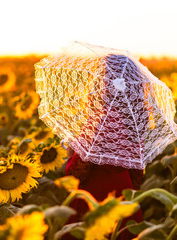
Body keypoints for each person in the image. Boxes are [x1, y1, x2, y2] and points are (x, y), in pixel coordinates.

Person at [62, 54, 148, 240]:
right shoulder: (137, 120)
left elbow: (76, 174)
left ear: (106, 83)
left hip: (95, 205)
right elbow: (137, 179)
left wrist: (71, 153)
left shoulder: (100, 119)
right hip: (124, 205)